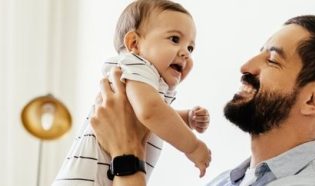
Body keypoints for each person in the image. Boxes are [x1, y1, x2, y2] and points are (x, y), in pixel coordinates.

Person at [90, 15, 315, 186]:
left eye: (272, 60)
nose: (246, 66)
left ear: (314, 99)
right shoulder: (228, 180)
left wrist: (126, 154)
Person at [53, 0, 212, 185]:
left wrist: (186, 118)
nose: (185, 52)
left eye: (190, 48)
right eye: (175, 39)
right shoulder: (137, 64)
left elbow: (147, 117)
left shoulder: (143, 83)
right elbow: (150, 112)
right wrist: (193, 147)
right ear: (134, 43)